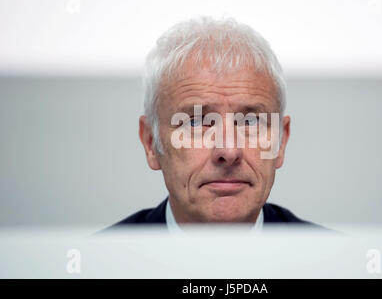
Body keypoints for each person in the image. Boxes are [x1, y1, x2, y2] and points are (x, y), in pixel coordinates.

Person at [106, 16, 326, 232]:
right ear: (151, 143)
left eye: (250, 122)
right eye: (196, 123)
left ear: (281, 142)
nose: (229, 151)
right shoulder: (103, 260)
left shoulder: (335, 261)